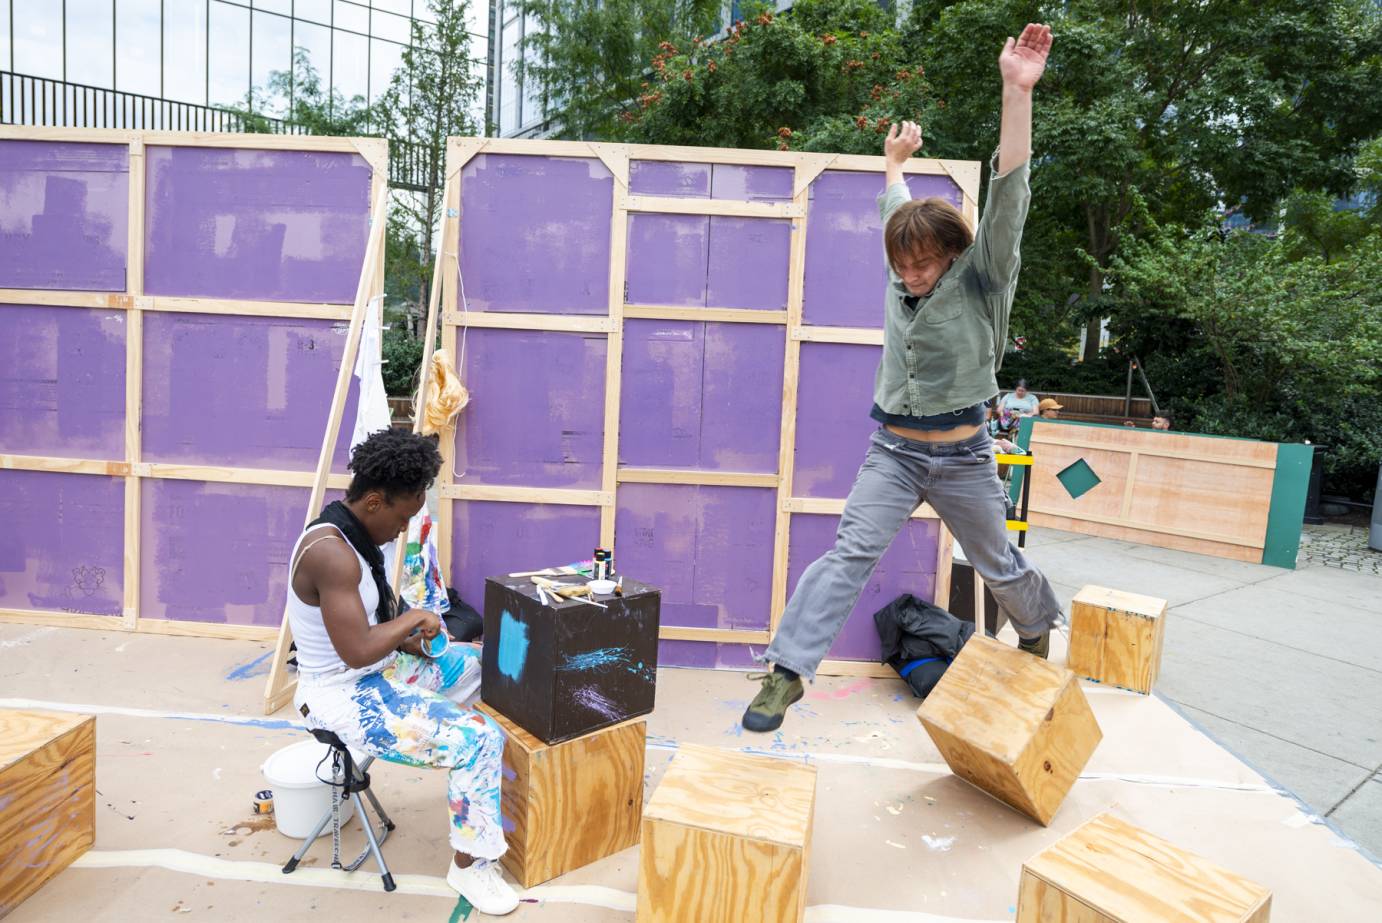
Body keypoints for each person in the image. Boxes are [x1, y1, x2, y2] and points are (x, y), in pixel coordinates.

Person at [742, 24, 1062, 733]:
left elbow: (1010, 194)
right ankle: (786, 673)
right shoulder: (902, 255)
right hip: (893, 451)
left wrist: (1016, 91)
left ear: (951, 253)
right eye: (901, 265)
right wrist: (894, 163)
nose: (911, 275)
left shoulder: (983, 277)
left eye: (923, 264)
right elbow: (897, 204)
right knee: (849, 553)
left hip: (964, 455)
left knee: (997, 560)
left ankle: (1036, 625)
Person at [287, 428, 518, 915]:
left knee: (485, 665)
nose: (404, 529)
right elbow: (355, 651)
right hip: (340, 693)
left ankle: (500, 785)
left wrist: (404, 638)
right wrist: (412, 620)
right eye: (403, 517)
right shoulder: (330, 553)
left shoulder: (353, 532)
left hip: (378, 668)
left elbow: (366, 629)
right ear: (374, 501)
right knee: (477, 739)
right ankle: (471, 865)